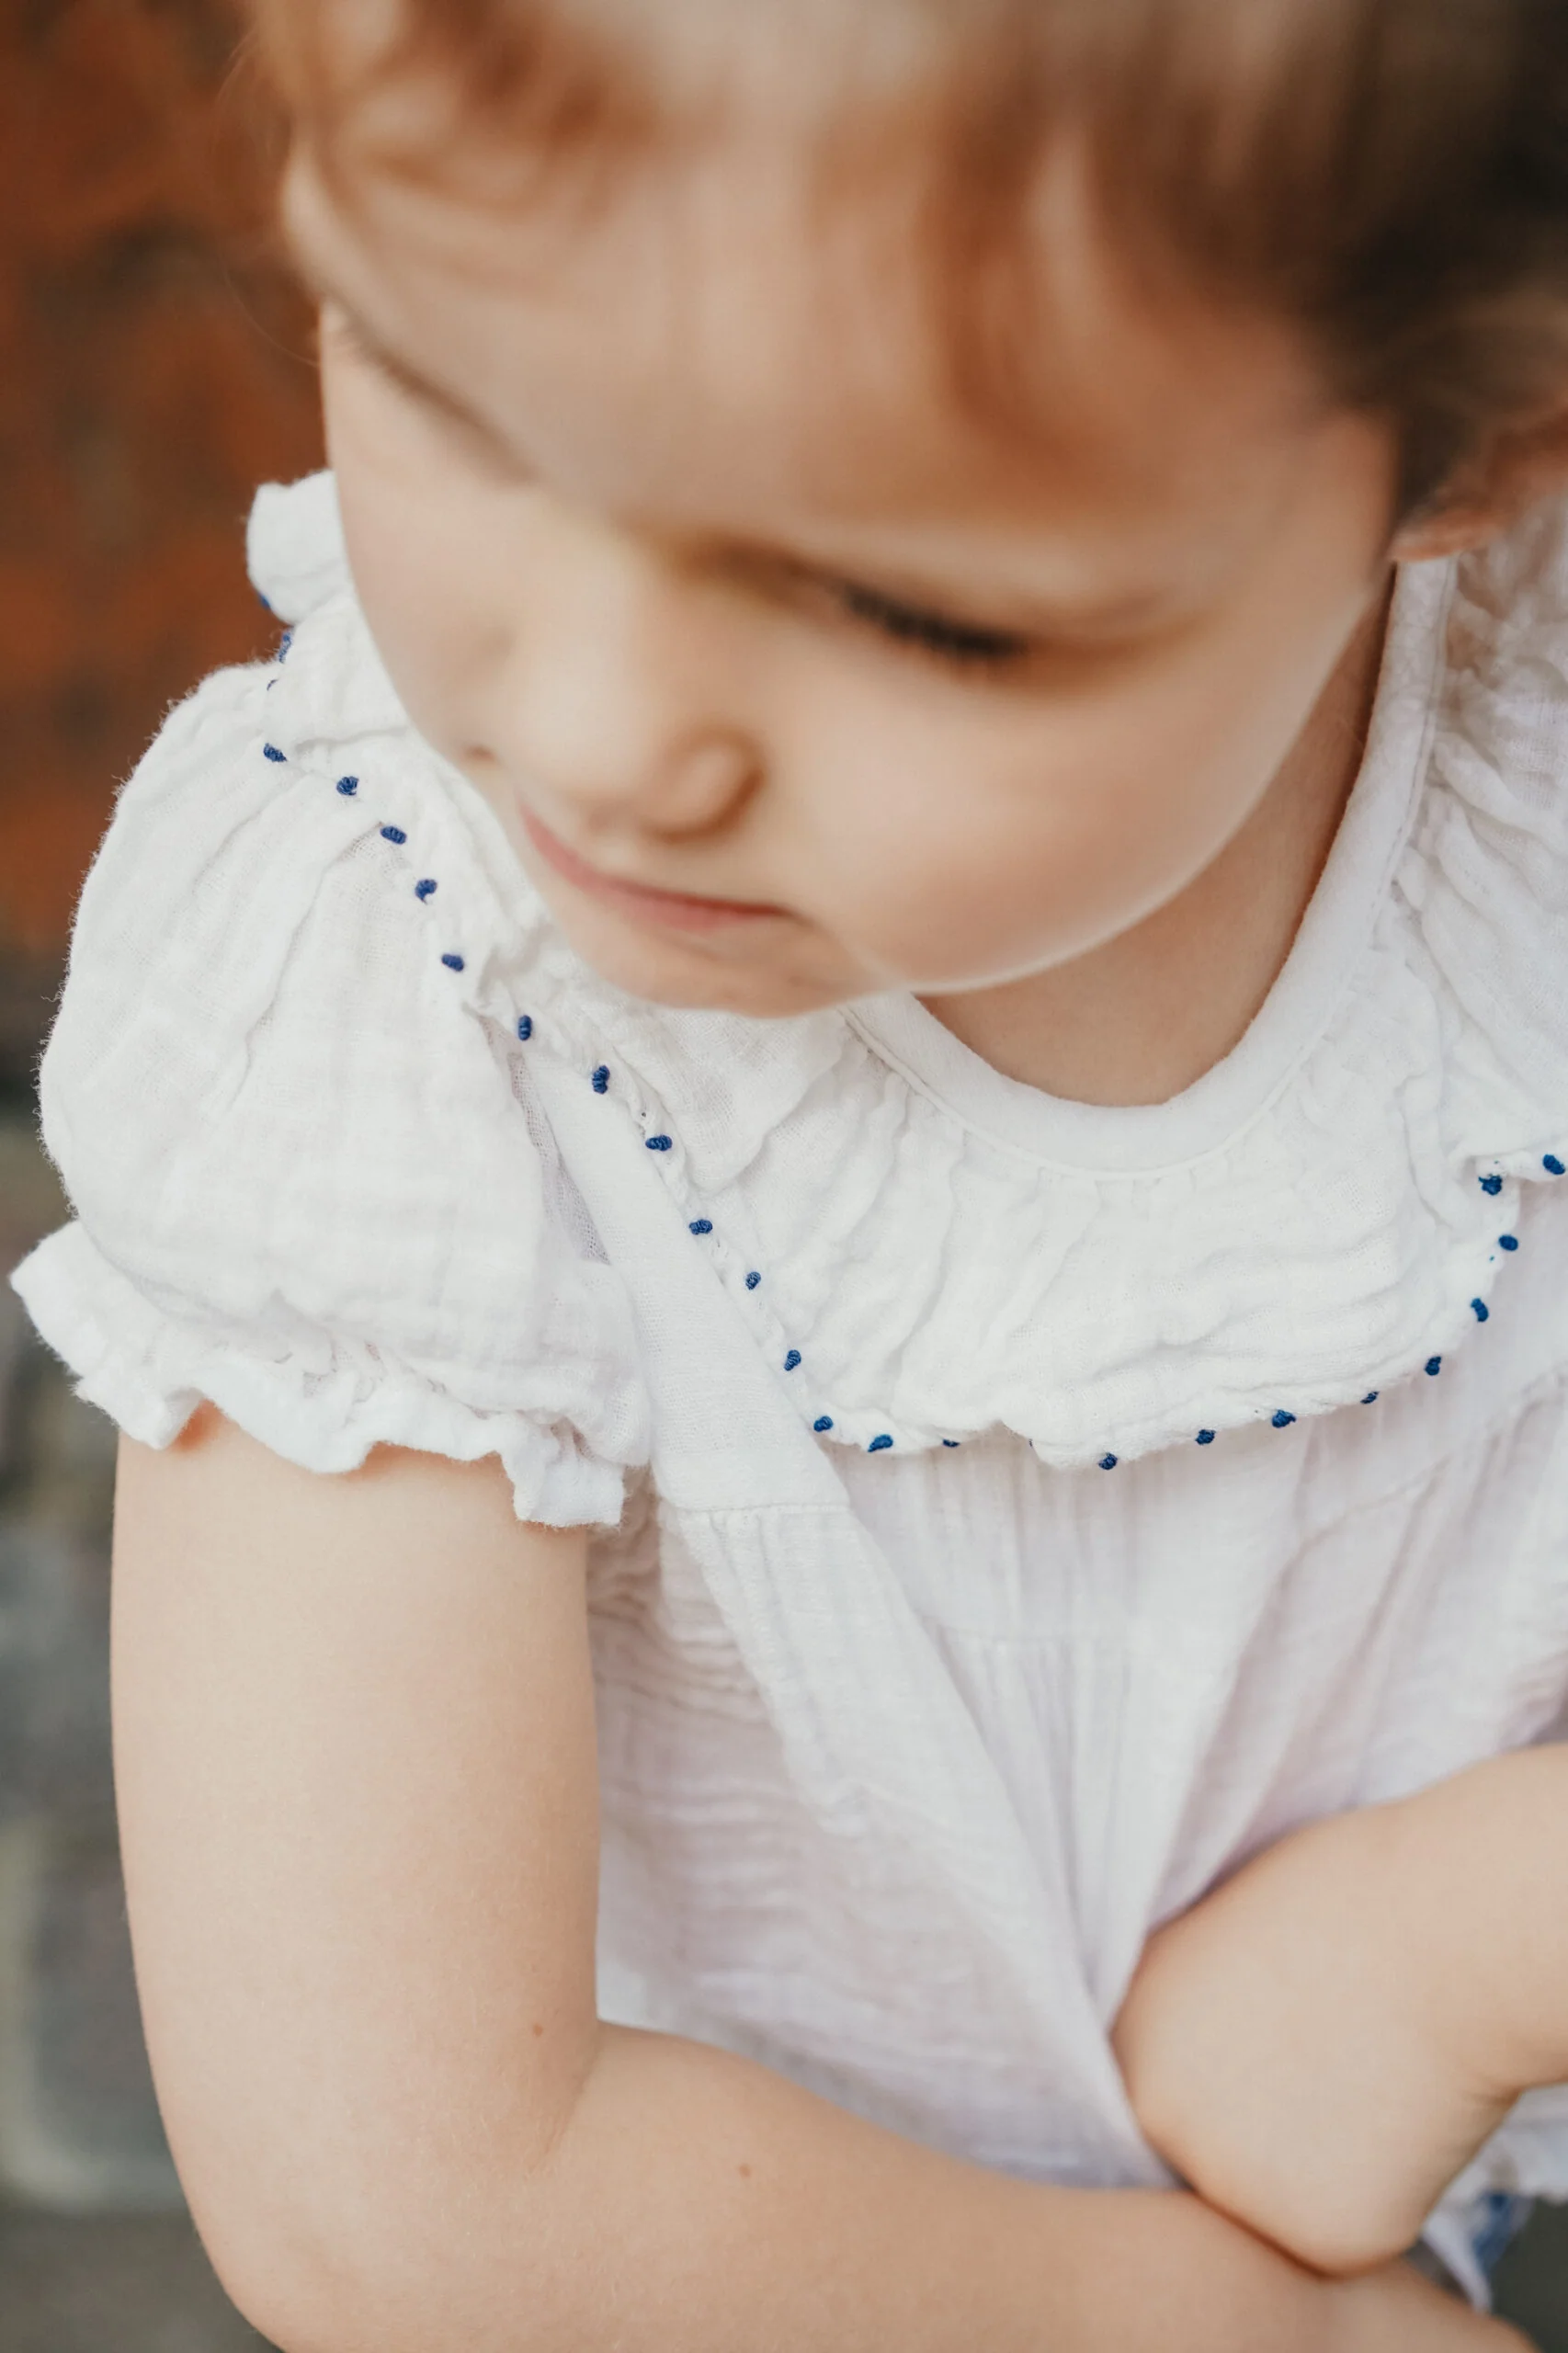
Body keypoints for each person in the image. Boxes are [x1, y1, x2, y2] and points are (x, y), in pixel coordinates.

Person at [12, 0, 1568, 2344]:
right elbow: (423, 2194)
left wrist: (1469, 1935)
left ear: (1467, 451)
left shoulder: (1515, 775)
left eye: (916, 606)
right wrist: (1260, 2328)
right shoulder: (402, 980)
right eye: (453, 391)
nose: (611, 741)